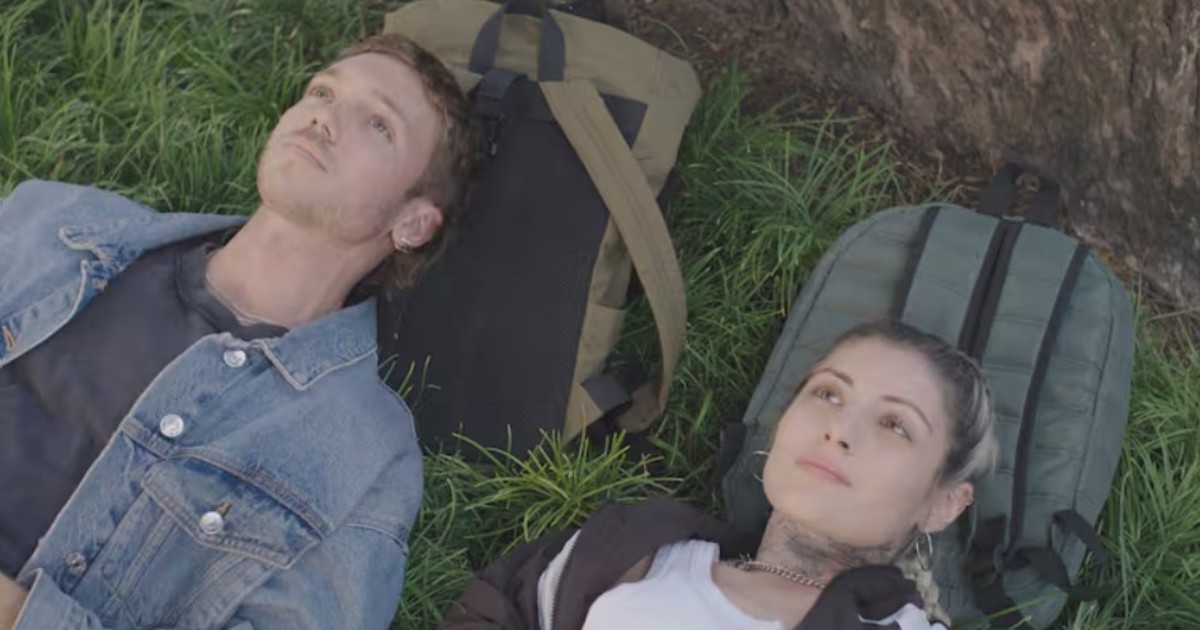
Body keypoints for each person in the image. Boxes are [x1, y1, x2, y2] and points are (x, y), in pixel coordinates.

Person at [0, 33, 473, 629]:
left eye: (379, 124)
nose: (325, 118)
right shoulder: (58, 219)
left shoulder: (364, 453)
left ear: (413, 223)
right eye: (323, 92)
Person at [440, 319, 1000, 629]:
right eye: (828, 393)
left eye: (895, 425)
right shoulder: (636, 548)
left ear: (945, 503)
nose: (840, 430)